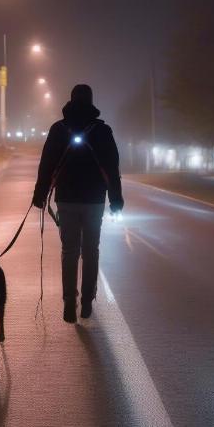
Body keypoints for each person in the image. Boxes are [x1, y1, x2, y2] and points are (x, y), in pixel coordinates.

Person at [32, 84, 124, 323]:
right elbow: (112, 168)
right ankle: (86, 302)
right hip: (94, 200)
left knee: (69, 251)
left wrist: (40, 195)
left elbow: (46, 165)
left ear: (70, 101)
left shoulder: (59, 129)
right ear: (91, 101)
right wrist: (115, 199)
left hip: (67, 199)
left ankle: (69, 302)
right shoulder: (103, 131)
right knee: (90, 250)